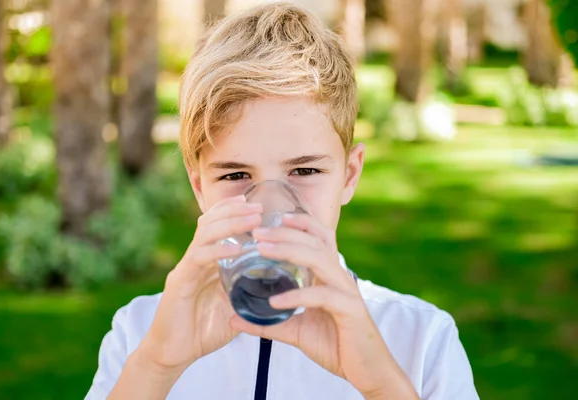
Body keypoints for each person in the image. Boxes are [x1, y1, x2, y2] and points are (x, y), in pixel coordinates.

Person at [85, 2, 479, 399]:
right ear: (200, 187)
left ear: (349, 174)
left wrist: (380, 383)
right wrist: (156, 366)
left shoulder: (421, 340)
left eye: (305, 171)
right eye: (236, 175)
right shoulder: (141, 333)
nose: (271, 209)